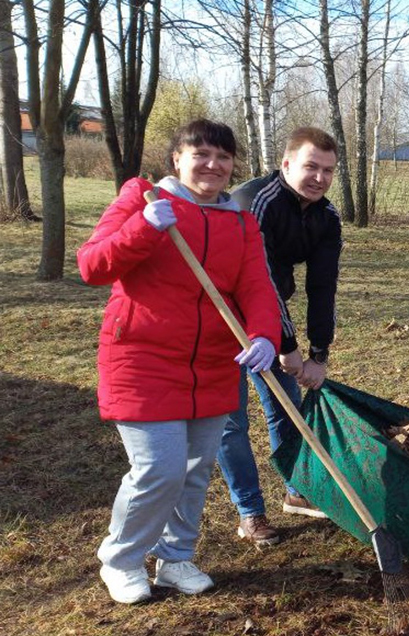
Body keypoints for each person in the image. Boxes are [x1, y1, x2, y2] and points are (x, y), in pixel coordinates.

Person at [77, 119, 282, 604]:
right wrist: (143, 229)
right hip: (142, 359)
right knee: (159, 470)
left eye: (223, 157)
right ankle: (122, 559)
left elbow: (255, 286)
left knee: (195, 470)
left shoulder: (240, 220)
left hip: (212, 363)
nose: (213, 165)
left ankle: (176, 558)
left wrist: (264, 336)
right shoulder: (142, 198)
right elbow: (92, 265)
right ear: (177, 159)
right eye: (201, 154)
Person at [216, 127, 343, 546]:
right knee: (231, 421)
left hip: (268, 318)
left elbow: (323, 287)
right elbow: (263, 280)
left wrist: (318, 354)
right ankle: (250, 512)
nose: (319, 178)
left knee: (286, 407)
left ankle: (297, 488)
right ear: (286, 164)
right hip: (220, 320)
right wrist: (288, 348)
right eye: (310, 166)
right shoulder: (258, 204)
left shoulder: (326, 217)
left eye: (328, 170)